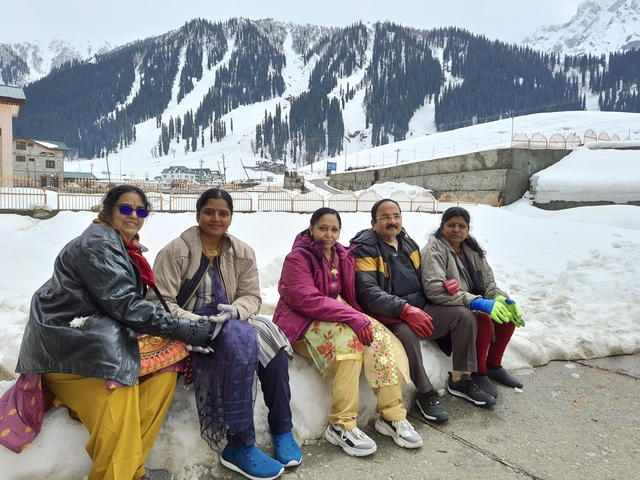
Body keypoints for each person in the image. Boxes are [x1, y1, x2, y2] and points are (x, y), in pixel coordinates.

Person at [5, 185, 216, 480]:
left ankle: (130, 469)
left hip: (92, 333)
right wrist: (185, 327)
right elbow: (126, 305)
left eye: (140, 211)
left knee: (168, 360)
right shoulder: (99, 245)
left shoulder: (118, 243)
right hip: (68, 341)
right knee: (119, 386)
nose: (134, 216)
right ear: (108, 210)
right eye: (125, 209)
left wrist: (180, 329)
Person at [150, 188, 300, 480]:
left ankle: (282, 427)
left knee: (273, 341)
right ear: (198, 215)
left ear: (231, 217)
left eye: (223, 213)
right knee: (233, 343)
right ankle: (238, 444)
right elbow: (160, 302)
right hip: (186, 323)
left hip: (230, 318)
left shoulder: (242, 252)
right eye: (209, 212)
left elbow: (252, 297)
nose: (216, 218)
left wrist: (234, 311)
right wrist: (196, 321)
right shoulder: (176, 250)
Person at [273, 208, 422, 457]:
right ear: (311, 229)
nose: (328, 234)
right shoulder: (297, 258)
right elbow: (306, 299)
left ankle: (392, 416)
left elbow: (356, 295)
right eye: (322, 228)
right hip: (300, 322)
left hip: (337, 314)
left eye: (334, 229)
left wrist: (376, 318)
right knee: (348, 345)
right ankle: (341, 424)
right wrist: (353, 317)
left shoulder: (342, 257)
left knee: (379, 338)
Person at [350, 199, 496, 423]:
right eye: (385, 217)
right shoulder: (365, 250)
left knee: (464, 315)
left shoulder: (409, 245)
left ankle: (460, 378)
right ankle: (424, 391)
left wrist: (448, 285)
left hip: (419, 308)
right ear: (373, 223)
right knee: (407, 334)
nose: (392, 221)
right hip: (389, 314)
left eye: (396, 216)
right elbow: (368, 293)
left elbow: (425, 282)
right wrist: (405, 310)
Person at [420, 207, 525, 398]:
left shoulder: (473, 251)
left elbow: (489, 283)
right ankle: (478, 372)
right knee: (482, 318)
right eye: (451, 225)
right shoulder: (433, 250)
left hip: (467, 304)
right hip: (445, 310)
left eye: (462, 226)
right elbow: (434, 290)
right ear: (442, 227)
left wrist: (500, 298)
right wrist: (476, 302)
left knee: (507, 317)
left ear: (468, 230)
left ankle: (493, 365)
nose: (456, 230)